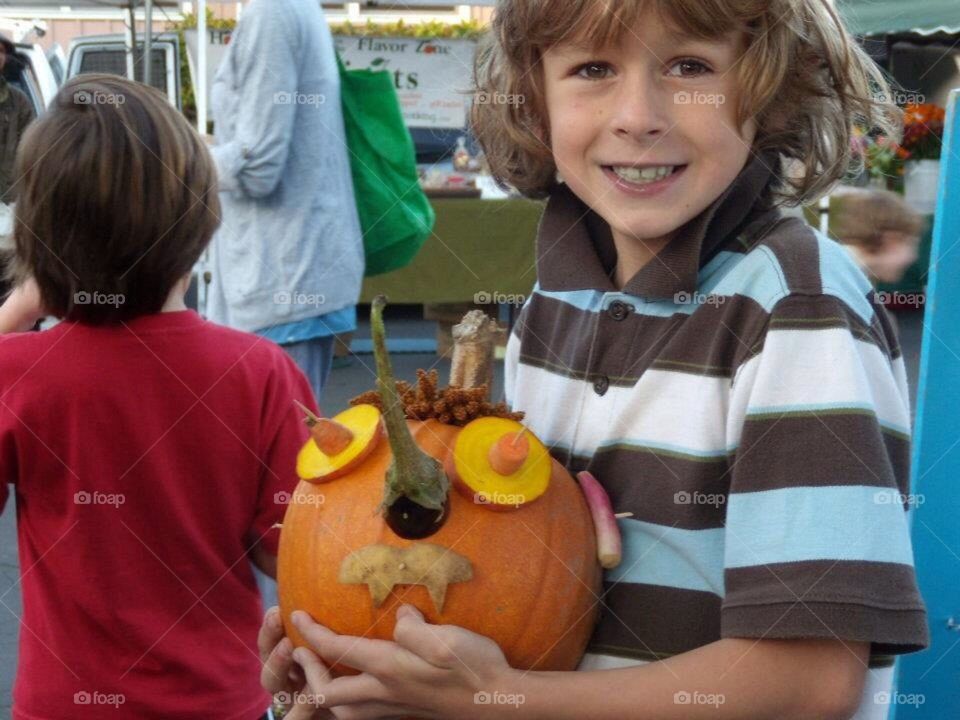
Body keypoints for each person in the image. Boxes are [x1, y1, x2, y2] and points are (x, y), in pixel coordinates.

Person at [257, 1, 929, 718]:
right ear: (534, 100)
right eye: (593, 69)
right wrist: (369, 660)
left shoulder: (797, 304)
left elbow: (810, 683)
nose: (638, 114)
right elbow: (531, 580)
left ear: (770, 88)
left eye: (690, 66)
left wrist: (494, 699)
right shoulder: (556, 299)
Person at [0, 75, 314, 720]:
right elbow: (289, 552)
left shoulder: (19, 372)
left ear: (35, 232)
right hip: (220, 699)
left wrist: (19, 306)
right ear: (200, 219)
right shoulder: (260, 371)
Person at [205, 0, 364, 402]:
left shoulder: (271, 14)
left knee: (282, 455)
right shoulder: (291, 8)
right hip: (292, 277)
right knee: (291, 451)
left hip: (282, 278)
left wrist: (175, 160)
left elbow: (258, 165)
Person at [830, 186, 925, 285]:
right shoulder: (841, 283)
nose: (912, 257)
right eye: (910, 243)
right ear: (891, 239)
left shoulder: (844, 273)